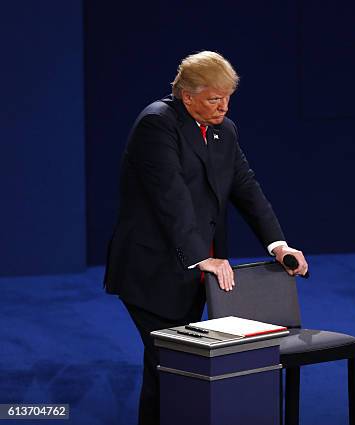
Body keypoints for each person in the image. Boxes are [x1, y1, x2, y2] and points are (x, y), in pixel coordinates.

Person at [103, 50, 308, 425]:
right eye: (214, 98)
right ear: (187, 96)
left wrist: (278, 245)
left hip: (200, 272)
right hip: (153, 268)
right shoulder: (156, 124)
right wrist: (201, 256)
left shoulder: (224, 130)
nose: (223, 106)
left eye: (228, 97)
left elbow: (246, 188)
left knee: (181, 367)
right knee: (168, 364)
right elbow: (171, 197)